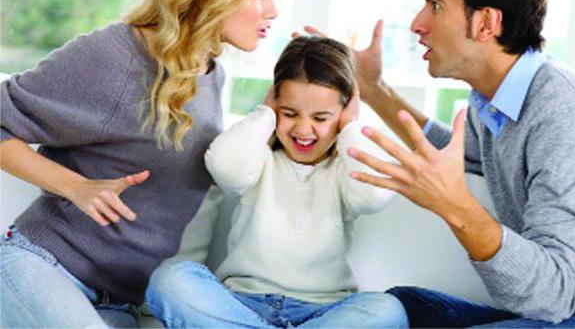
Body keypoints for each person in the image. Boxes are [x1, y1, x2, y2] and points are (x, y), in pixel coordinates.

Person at [337, 0, 575, 327]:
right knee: (403, 305)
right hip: (566, 309)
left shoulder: (565, 115)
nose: (417, 24)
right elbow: (458, 155)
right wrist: (375, 91)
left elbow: (554, 295)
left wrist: (453, 205)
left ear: (486, 22)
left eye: (435, 4)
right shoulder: (494, 99)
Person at [0, 0, 278, 328]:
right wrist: (75, 186)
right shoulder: (115, 57)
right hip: (43, 266)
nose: (273, 10)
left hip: (119, 304)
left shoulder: (211, 74)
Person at [145, 36, 407, 328]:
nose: (303, 129)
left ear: (344, 113)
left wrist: (350, 128)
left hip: (323, 312)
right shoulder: (258, 160)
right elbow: (223, 164)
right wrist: (265, 114)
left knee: (387, 309)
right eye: (289, 113)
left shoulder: (344, 171)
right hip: (241, 304)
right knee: (170, 279)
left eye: (321, 118)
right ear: (274, 102)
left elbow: (374, 196)